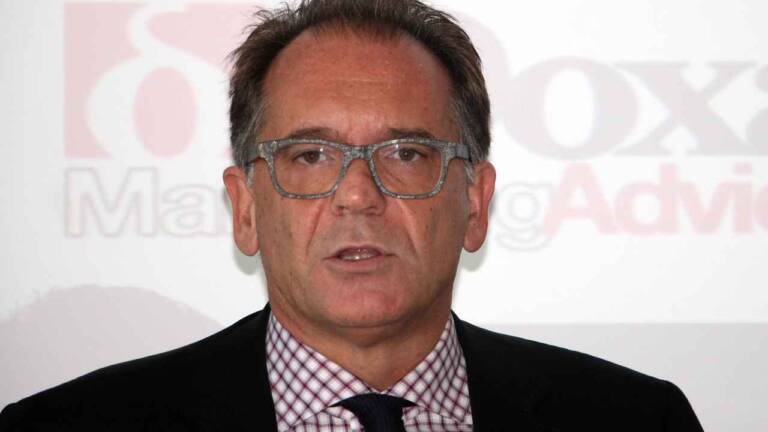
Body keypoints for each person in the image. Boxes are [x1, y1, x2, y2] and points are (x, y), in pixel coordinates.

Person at [0, 0, 704, 431]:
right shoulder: (64, 428)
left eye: (406, 153)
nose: (359, 195)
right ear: (245, 210)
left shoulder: (636, 420)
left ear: (474, 204)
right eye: (310, 156)